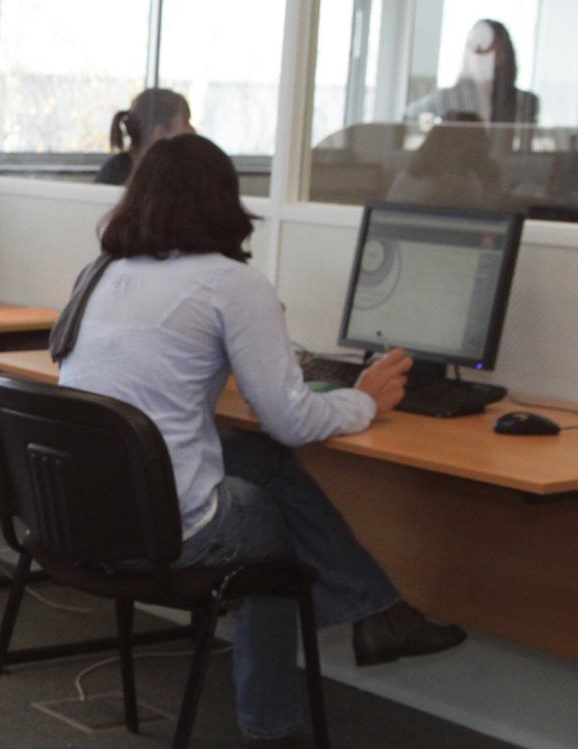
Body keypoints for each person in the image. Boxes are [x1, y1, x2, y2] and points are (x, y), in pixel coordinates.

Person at [57, 134, 467, 745]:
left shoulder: (99, 273)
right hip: (158, 533)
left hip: (73, 519)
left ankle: (381, 613)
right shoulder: (230, 283)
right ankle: (275, 720)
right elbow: (292, 420)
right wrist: (365, 398)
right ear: (225, 201)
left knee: (257, 457)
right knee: (275, 530)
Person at [406, 19, 538, 128]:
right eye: (473, 46)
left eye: (486, 46)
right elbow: (409, 116)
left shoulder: (525, 102)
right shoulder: (448, 97)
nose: (479, 54)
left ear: (503, 55)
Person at [94, 88, 192, 185]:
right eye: (186, 122)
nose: (192, 130)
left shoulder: (178, 169)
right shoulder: (116, 171)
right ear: (160, 132)